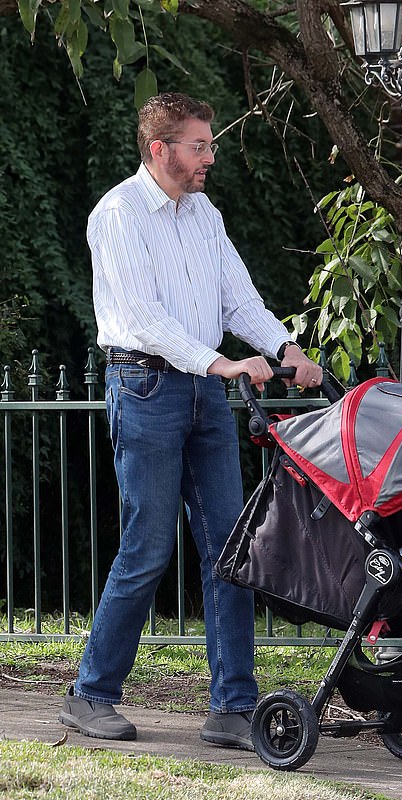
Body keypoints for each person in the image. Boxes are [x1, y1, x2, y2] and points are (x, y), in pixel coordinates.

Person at [58, 92, 322, 750]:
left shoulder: (204, 213)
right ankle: (91, 694)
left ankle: (233, 705)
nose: (209, 156)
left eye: (209, 145)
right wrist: (220, 363)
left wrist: (285, 346)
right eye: (198, 146)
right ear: (161, 150)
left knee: (229, 549)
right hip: (146, 384)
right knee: (148, 546)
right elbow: (145, 318)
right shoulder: (117, 214)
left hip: (205, 391)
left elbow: (238, 297)